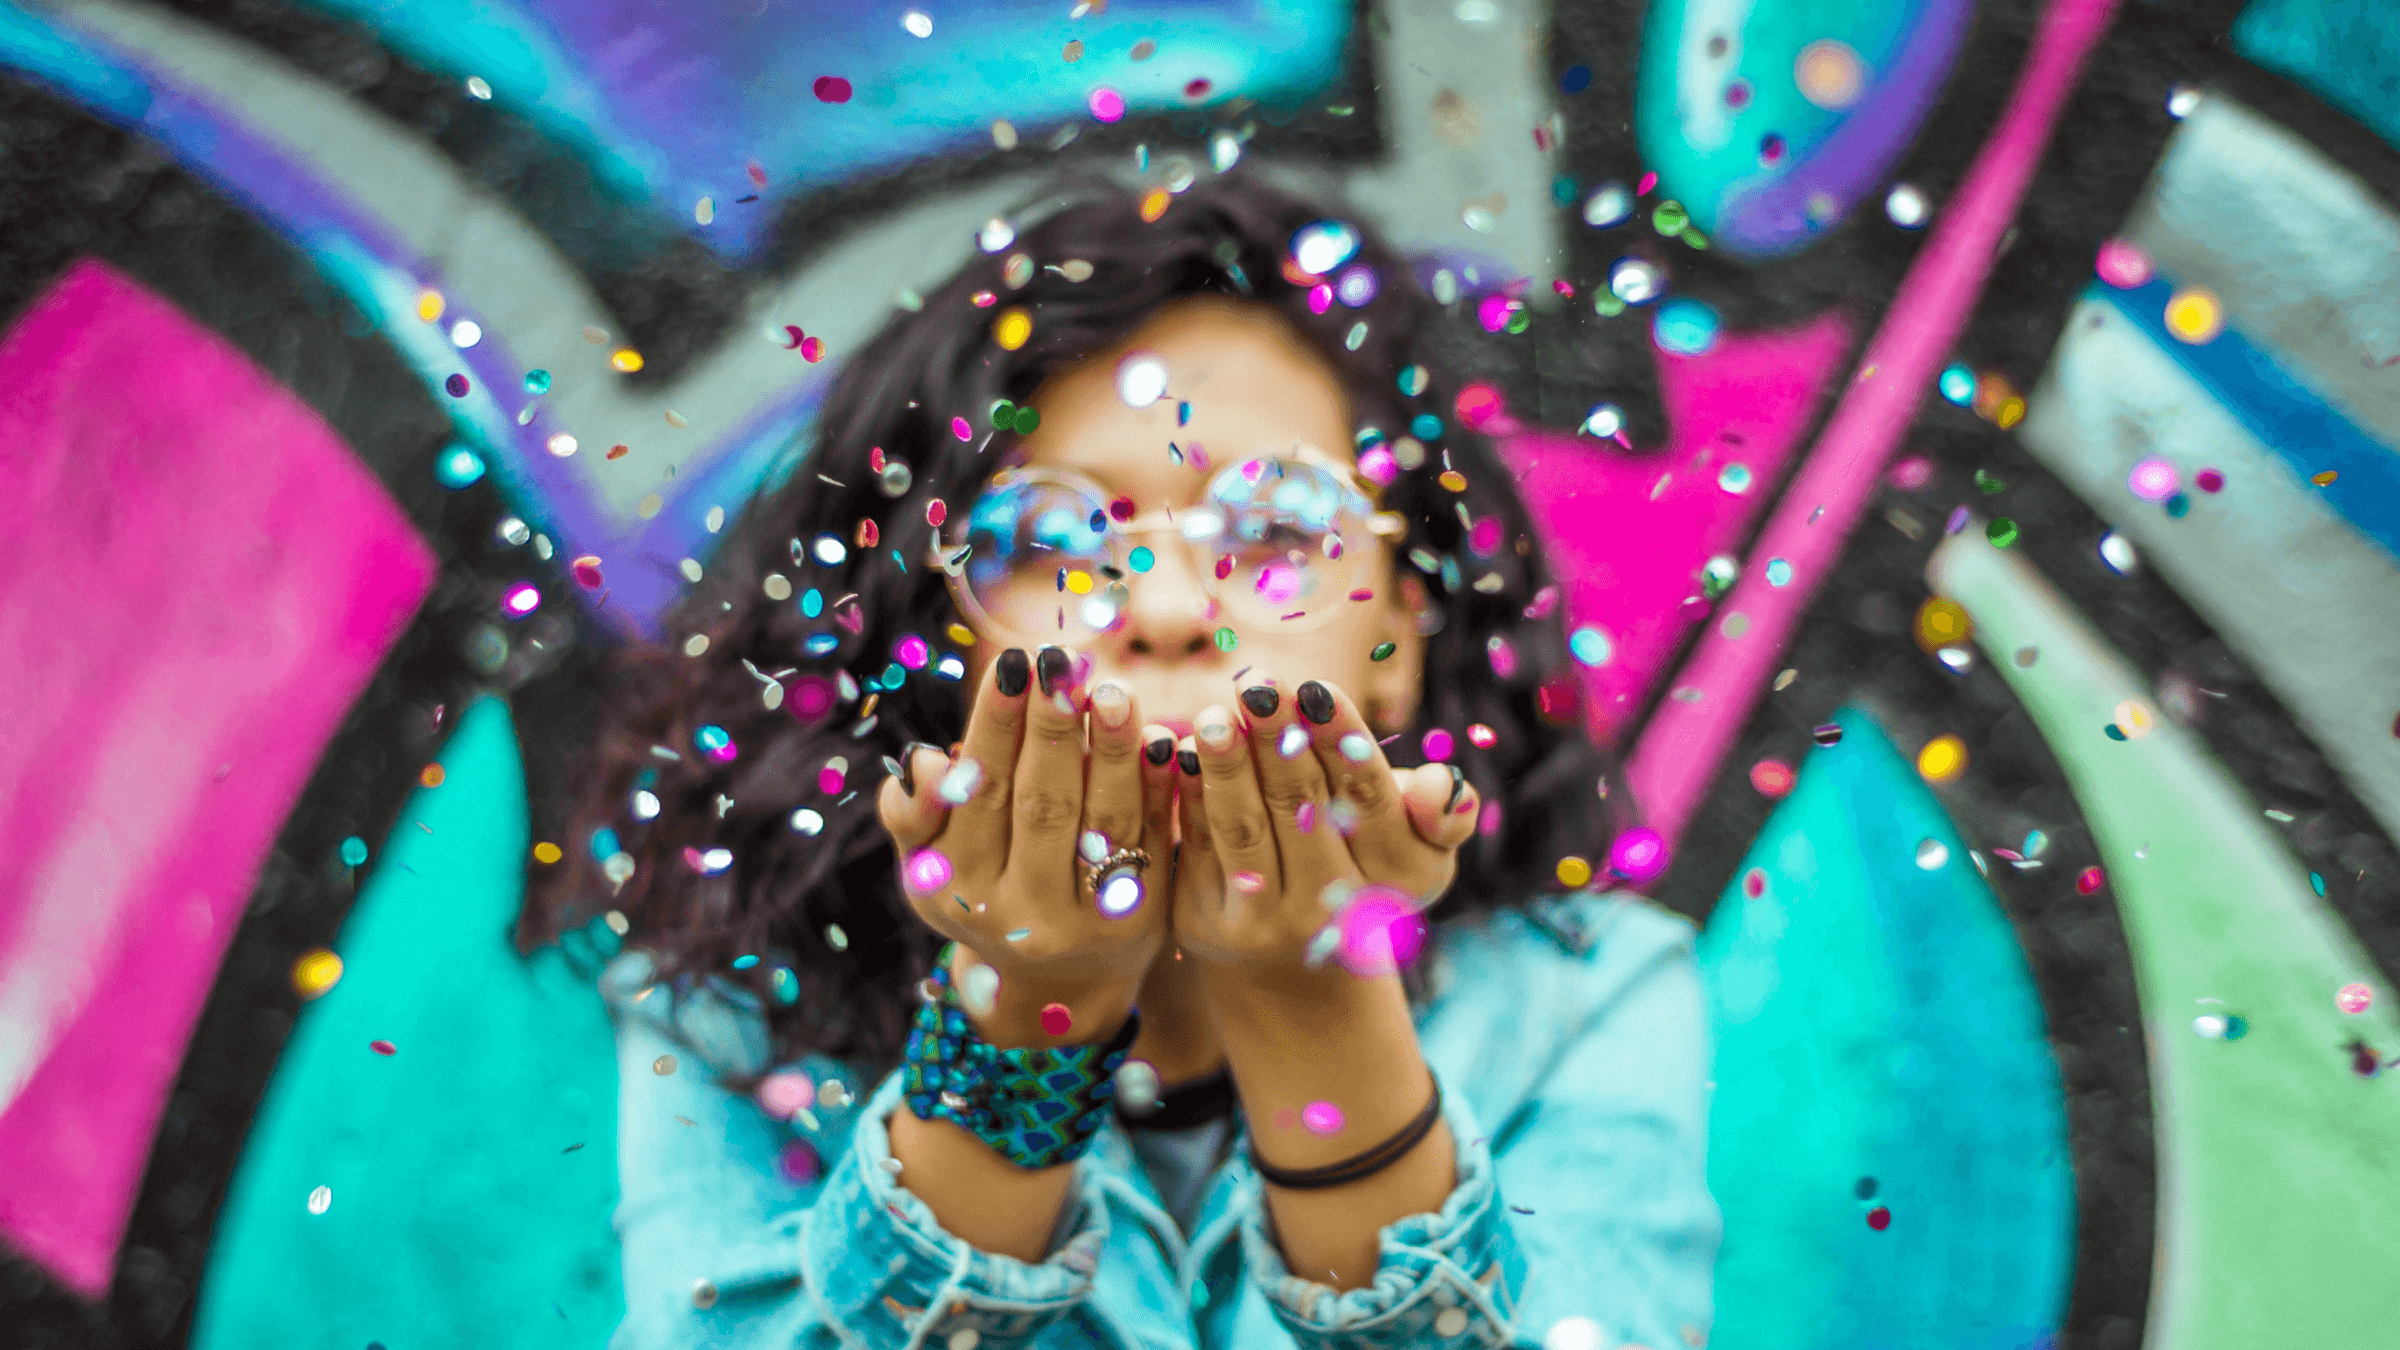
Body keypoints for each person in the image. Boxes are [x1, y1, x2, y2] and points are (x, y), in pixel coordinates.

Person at [522, 169, 1718, 1349]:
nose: (1165, 606)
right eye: (1051, 539)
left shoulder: (1585, 1000)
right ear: (946, 638)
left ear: (1403, 630)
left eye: (1273, 530)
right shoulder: (740, 1009)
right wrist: (1022, 1025)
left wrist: (1316, 1004)